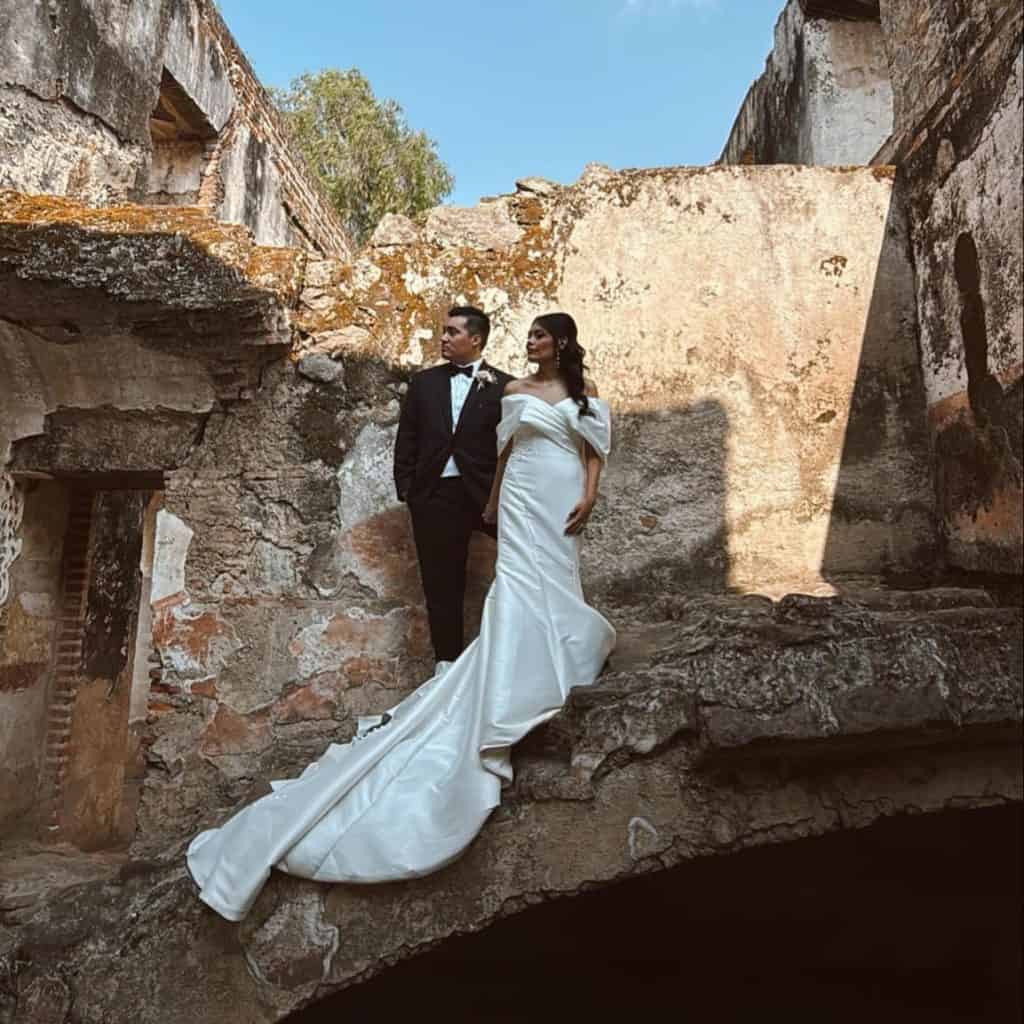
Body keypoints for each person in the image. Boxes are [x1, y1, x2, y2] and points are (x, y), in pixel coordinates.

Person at [186, 312, 615, 922]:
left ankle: (556, 650)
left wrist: (589, 492)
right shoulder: (508, 391)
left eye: (541, 337)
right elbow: (496, 448)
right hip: (509, 493)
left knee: (554, 574)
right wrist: (466, 497)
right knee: (492, 585)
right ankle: (476, 668)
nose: (531, 343)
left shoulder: (565, 391)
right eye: (530, 337)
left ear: (561, 342)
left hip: (558, 486)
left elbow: (593, 446)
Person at [393, 306, 513, 671]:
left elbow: (511, 445)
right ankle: (446, 665)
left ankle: (510, 659)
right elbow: (407, 437)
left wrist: (502, 494)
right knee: (440, 584)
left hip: (485, 495)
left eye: (452, 332)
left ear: (475, 339)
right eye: (443, 332)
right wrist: (409, 490)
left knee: (519, 566)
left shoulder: (506, 386)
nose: (443, 338)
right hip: (434, 495)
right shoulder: (424, 383)